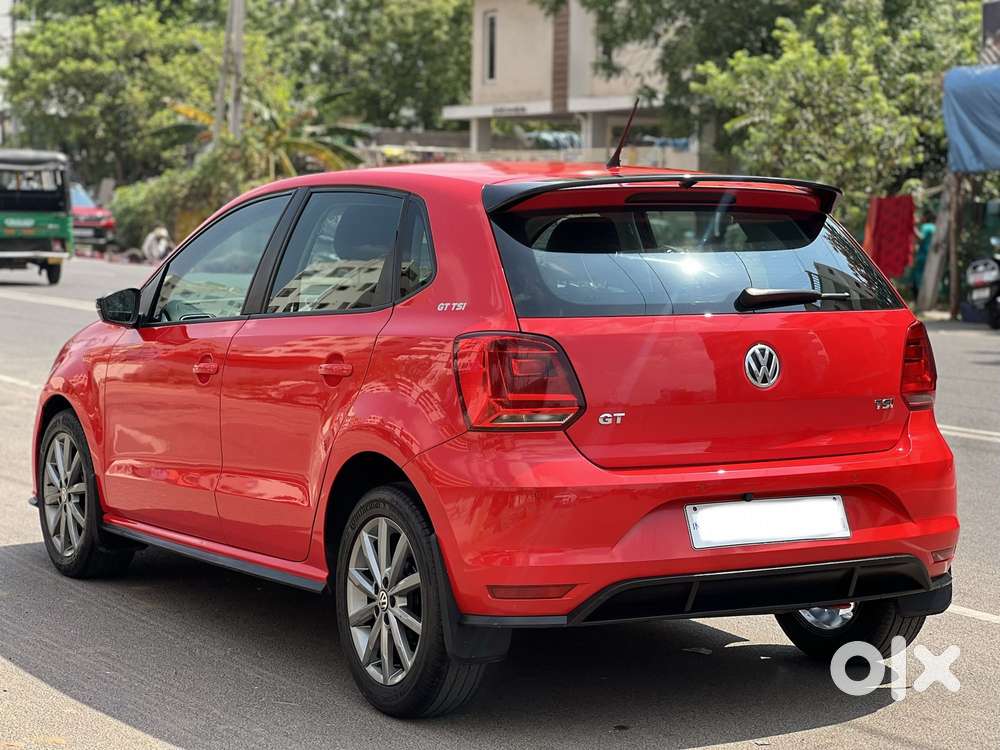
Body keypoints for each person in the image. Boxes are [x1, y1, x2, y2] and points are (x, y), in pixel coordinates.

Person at [910, 210, 936, 299]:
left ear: (926, 217)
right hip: (932, 256)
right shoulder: (935, 227)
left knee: (918, 278)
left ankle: (919, 299)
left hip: (922, 255)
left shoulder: (926, 227)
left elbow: (921, 238)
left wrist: (913, 228)